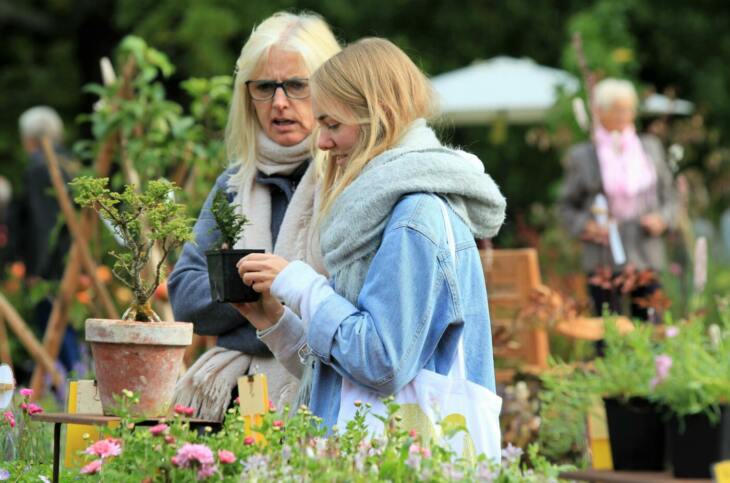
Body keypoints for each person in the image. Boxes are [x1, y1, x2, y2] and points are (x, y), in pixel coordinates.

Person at [235, 38, 506, 436]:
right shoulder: (376, 213)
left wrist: (300, 284)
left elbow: (381, 363)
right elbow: (342, 370)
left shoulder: (415, 218)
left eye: (332, 124)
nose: (322, 143)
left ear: (380, 115)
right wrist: (275, 321)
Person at [168, 11, 341, 420]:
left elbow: (351, 310)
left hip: (324, 399)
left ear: (331, 88)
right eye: (265, 86)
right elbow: (186, 298)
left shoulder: (350, 180)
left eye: (297, 85)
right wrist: (273, 296)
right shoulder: (235, 184)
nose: (279, 102)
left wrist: (249, 295)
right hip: (234, 402)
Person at [558, 78, 678, 320]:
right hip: (603, 259)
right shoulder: (584, 155)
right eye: (618, 109)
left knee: (651, 332)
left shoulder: (650, 147)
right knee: (607, 334)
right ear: (599, 111)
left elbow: (671, 196)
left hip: (646, 254)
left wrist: (663, 219)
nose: (625, 115)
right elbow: (565, 207)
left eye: (629, 109)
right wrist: (587, 225)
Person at [12, 106, 81, 376]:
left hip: (50, 267)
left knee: (55, 329)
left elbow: (43, 223)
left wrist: (36, 271)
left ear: (30, 138)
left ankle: (68, 386)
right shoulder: (71, 163)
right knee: (66, 325)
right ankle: (73, 382)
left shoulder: (41, 168)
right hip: (70, 259)